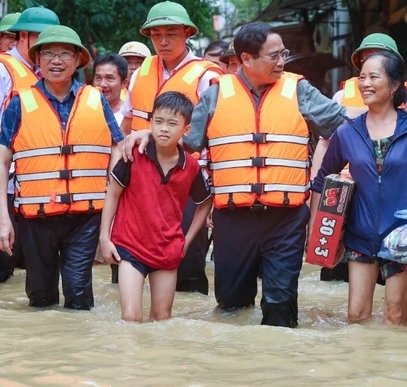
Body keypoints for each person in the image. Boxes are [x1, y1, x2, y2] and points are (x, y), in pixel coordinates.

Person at [123, 22, 347, 328]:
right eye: (274, 56)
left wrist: (387, 117)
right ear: (245, 59)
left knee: (280, 309)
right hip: (232, 220)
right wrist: (147, 134)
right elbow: (185, 141)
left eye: (283, 54)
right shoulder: (216, 95)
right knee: (232, 309)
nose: (282, 61)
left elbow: (346, 129)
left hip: (287, 219)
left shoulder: (299, 90)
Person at [310, 50, 407, 325]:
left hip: (403, 238)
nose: (365, 83)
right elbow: (322, 181)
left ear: (395, 84)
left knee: (395, 314)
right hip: (360, 236)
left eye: (374, 77)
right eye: (362, 77)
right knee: (356, 315)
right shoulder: (347, 132)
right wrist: (319, 234)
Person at [0, 25, 124, 309]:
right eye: (49, 54)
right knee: (40, 297)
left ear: (78, 60)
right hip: (35, 218)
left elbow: (117, 149)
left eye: (65, 54)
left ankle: (80, 352)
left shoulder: (96, 100)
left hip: (85, 218)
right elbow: (2, 160)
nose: (56, 61)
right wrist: (3, 219)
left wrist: (113, 210)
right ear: (38, 60)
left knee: (79, 295)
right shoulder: (19, 103)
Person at [118, 0, 223, 295]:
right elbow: (126, 128)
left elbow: (213, 136)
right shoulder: (140, 72)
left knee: (186, 265)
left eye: (171, 33)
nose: (162, 41)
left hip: (184, 182)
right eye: (156, 34)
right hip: (139, 181)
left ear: (187, 33)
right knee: (130, 259)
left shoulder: (208, 76)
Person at [310, 32, 407, 283]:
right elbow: (325, 145)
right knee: (336, 275)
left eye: (380, 59)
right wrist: (317, 196)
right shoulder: (342, 98)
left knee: (392, 280)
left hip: (394, 204)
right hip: (347, 199)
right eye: (367, 60)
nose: (371, 66)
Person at [100, 91, 212, 322]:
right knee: (131, 318)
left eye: (173, 124)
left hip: (167, 249)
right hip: (130, 246)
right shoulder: (133, 156)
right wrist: (104, 237)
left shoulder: (190, 167)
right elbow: (112, 194)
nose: (164, 129)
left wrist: (186, 241)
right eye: (158, 122)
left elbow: (205, 203)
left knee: (162, 318)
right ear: (150, 123)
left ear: (186, 130)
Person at [0, 7, 60, 283]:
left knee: (20, 269)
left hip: (29, 188)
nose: (49, 49)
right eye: (42, 41)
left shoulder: (42, 74)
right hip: (6, 185)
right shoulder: (4, 70)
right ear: (23, 36)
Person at [93, 53, 128, 125]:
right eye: (98, 78)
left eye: (109, 78)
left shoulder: (129, 115)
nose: (102, 84)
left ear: (124, 83)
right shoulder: (83, 110)